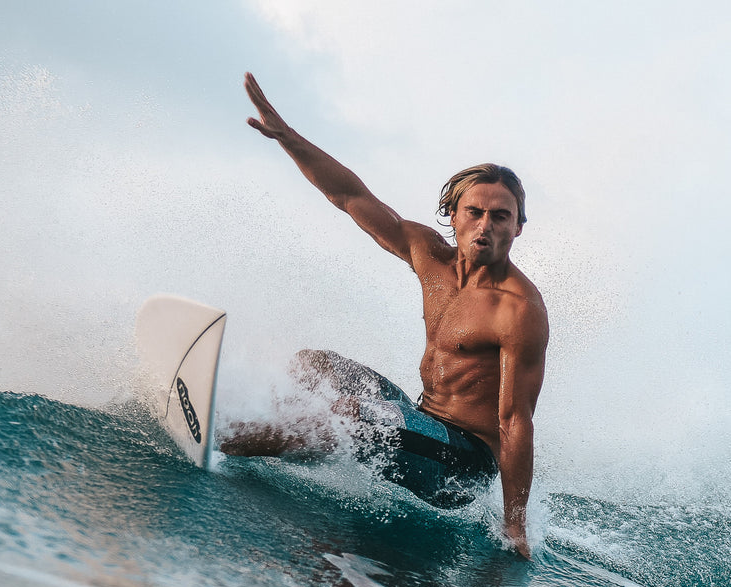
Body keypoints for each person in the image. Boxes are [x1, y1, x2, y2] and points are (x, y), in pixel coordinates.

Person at [223, 73, 549, 558]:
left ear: (518, 226)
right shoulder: (430, 257)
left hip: (461, 465)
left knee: (354, 416)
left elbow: (513, 421)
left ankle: (223, 433)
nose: (485, 225)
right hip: (421, 420)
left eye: (500, 216)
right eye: (474, 211)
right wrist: (290, 140)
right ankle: (275, 431)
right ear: (453, 215)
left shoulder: (517, 309)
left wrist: (515, 526)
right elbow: (352, 198)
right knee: (314, 364)